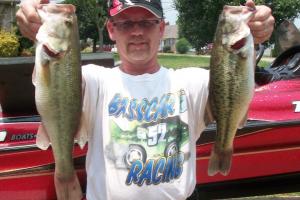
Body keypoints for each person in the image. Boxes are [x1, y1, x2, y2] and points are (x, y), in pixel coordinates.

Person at [16, 0, 274, 199]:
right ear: (111, 30)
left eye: (147, 22)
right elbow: (54, 81)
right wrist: (33, 14)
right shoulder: (93, 81)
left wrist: (256, 34)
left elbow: (234, 81)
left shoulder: (191, 83)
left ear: (162, 28)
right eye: (126, 23)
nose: (137, 31)